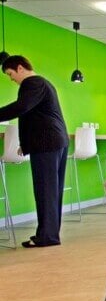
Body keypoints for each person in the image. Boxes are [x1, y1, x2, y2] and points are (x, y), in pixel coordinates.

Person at [0, 55, 69, 248]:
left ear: (20, 68)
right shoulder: (43, 84)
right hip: (55, 141)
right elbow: (32, 115)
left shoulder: (32, 83)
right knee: (52, 191)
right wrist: (26, 143)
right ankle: (49, 235)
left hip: (47, 143)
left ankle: (47, 237)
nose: (11, 79)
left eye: (10, 74)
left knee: (45, 190)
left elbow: (21, 108)